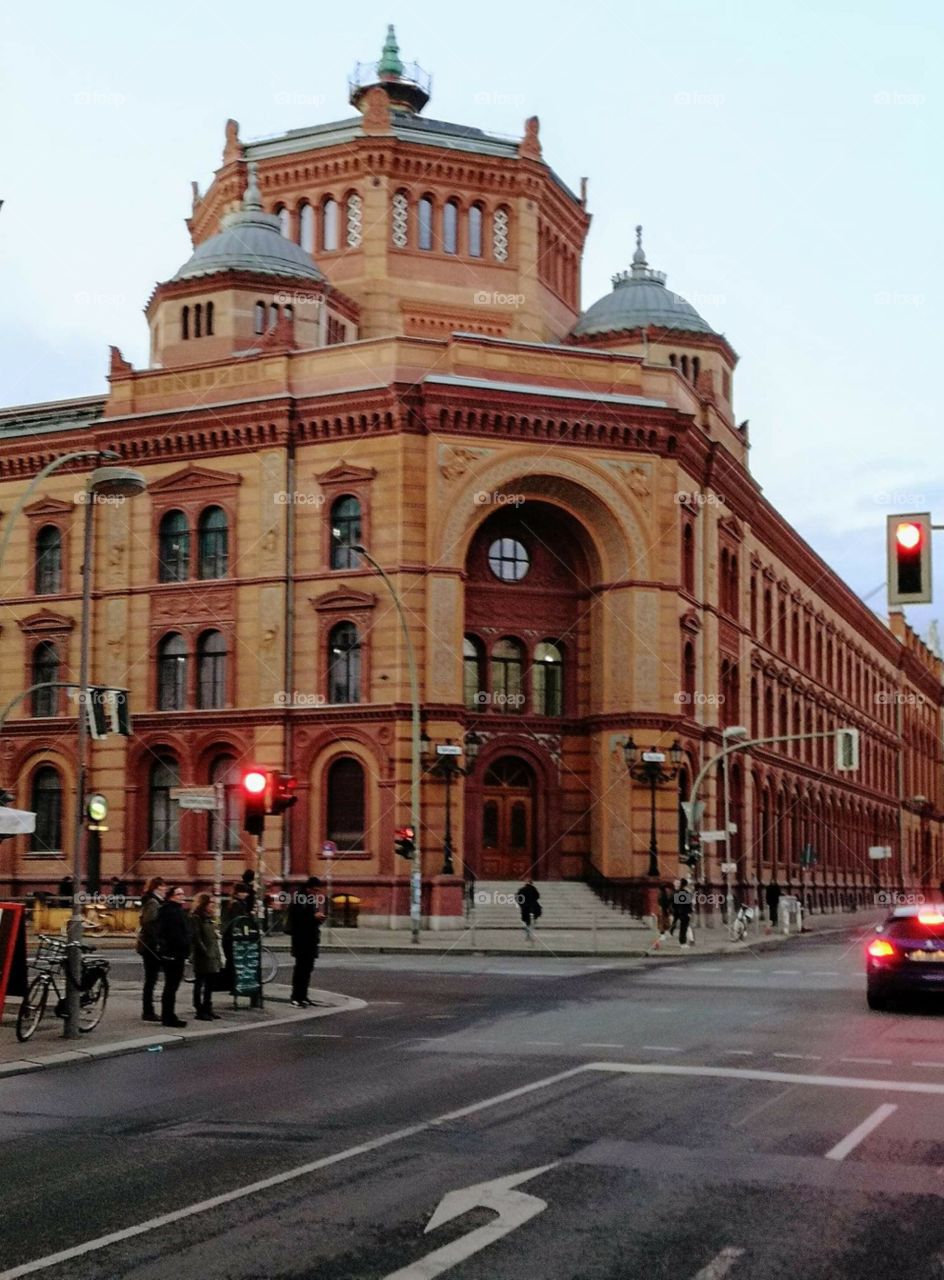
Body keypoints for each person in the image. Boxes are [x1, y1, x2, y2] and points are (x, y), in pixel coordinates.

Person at [156, 885, 191, 1027]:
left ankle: (169, 1015)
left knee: (171, 986)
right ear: (171, 896)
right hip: (174, 953)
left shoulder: (172, 910)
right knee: (171, 986)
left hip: (173, 952)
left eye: (182, 894)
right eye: (178, 894)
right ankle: (168, 1016)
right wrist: (184, 944)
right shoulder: (172, 912)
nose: (182, 896)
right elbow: (174, 934)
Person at [285, 876, 324, 1007]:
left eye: (318, 891)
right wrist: (314, 917)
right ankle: (296, 997)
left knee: (308, 968)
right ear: (308, 888)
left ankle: (303, 995)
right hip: (301, 939)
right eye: (315, 890)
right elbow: (299, 919)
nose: (316, 893)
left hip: (310, 938)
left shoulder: (310, 898)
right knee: (301, 969)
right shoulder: (299, 898)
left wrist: (318, 918)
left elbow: (309, 918)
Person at [190, 893, 223, 1021]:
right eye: (211, 904)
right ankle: (199, 1009)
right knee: (200, 982)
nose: (213, 907)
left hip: (212, 954)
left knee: (210, 984)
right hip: (203, 956)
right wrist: (204, 951)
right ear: (204, 904)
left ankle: (208, 1007)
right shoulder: (196, 918)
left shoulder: (210, 918)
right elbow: (196, 937)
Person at [137, 876, 165, 1022]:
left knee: (151, 979)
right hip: (150, 946)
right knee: (151, 979)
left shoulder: (150, 901)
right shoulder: (153, 902)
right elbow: (150, 924)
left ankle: (148, 1010)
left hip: (147, 945)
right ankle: (148, 1011)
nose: (165, 889)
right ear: (157, 887)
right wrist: (157, 942)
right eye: (163, 886)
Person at [675, 879, 694, 947]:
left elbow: (676, 904)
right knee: (684, 928)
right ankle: (683, 943)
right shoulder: (686, 892)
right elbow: (688, 904)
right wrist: (690, 912)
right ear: (686, 884)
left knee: (684, 928)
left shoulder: (678, 892)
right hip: (685, 913)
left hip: (680, 912)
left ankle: (685, 941)